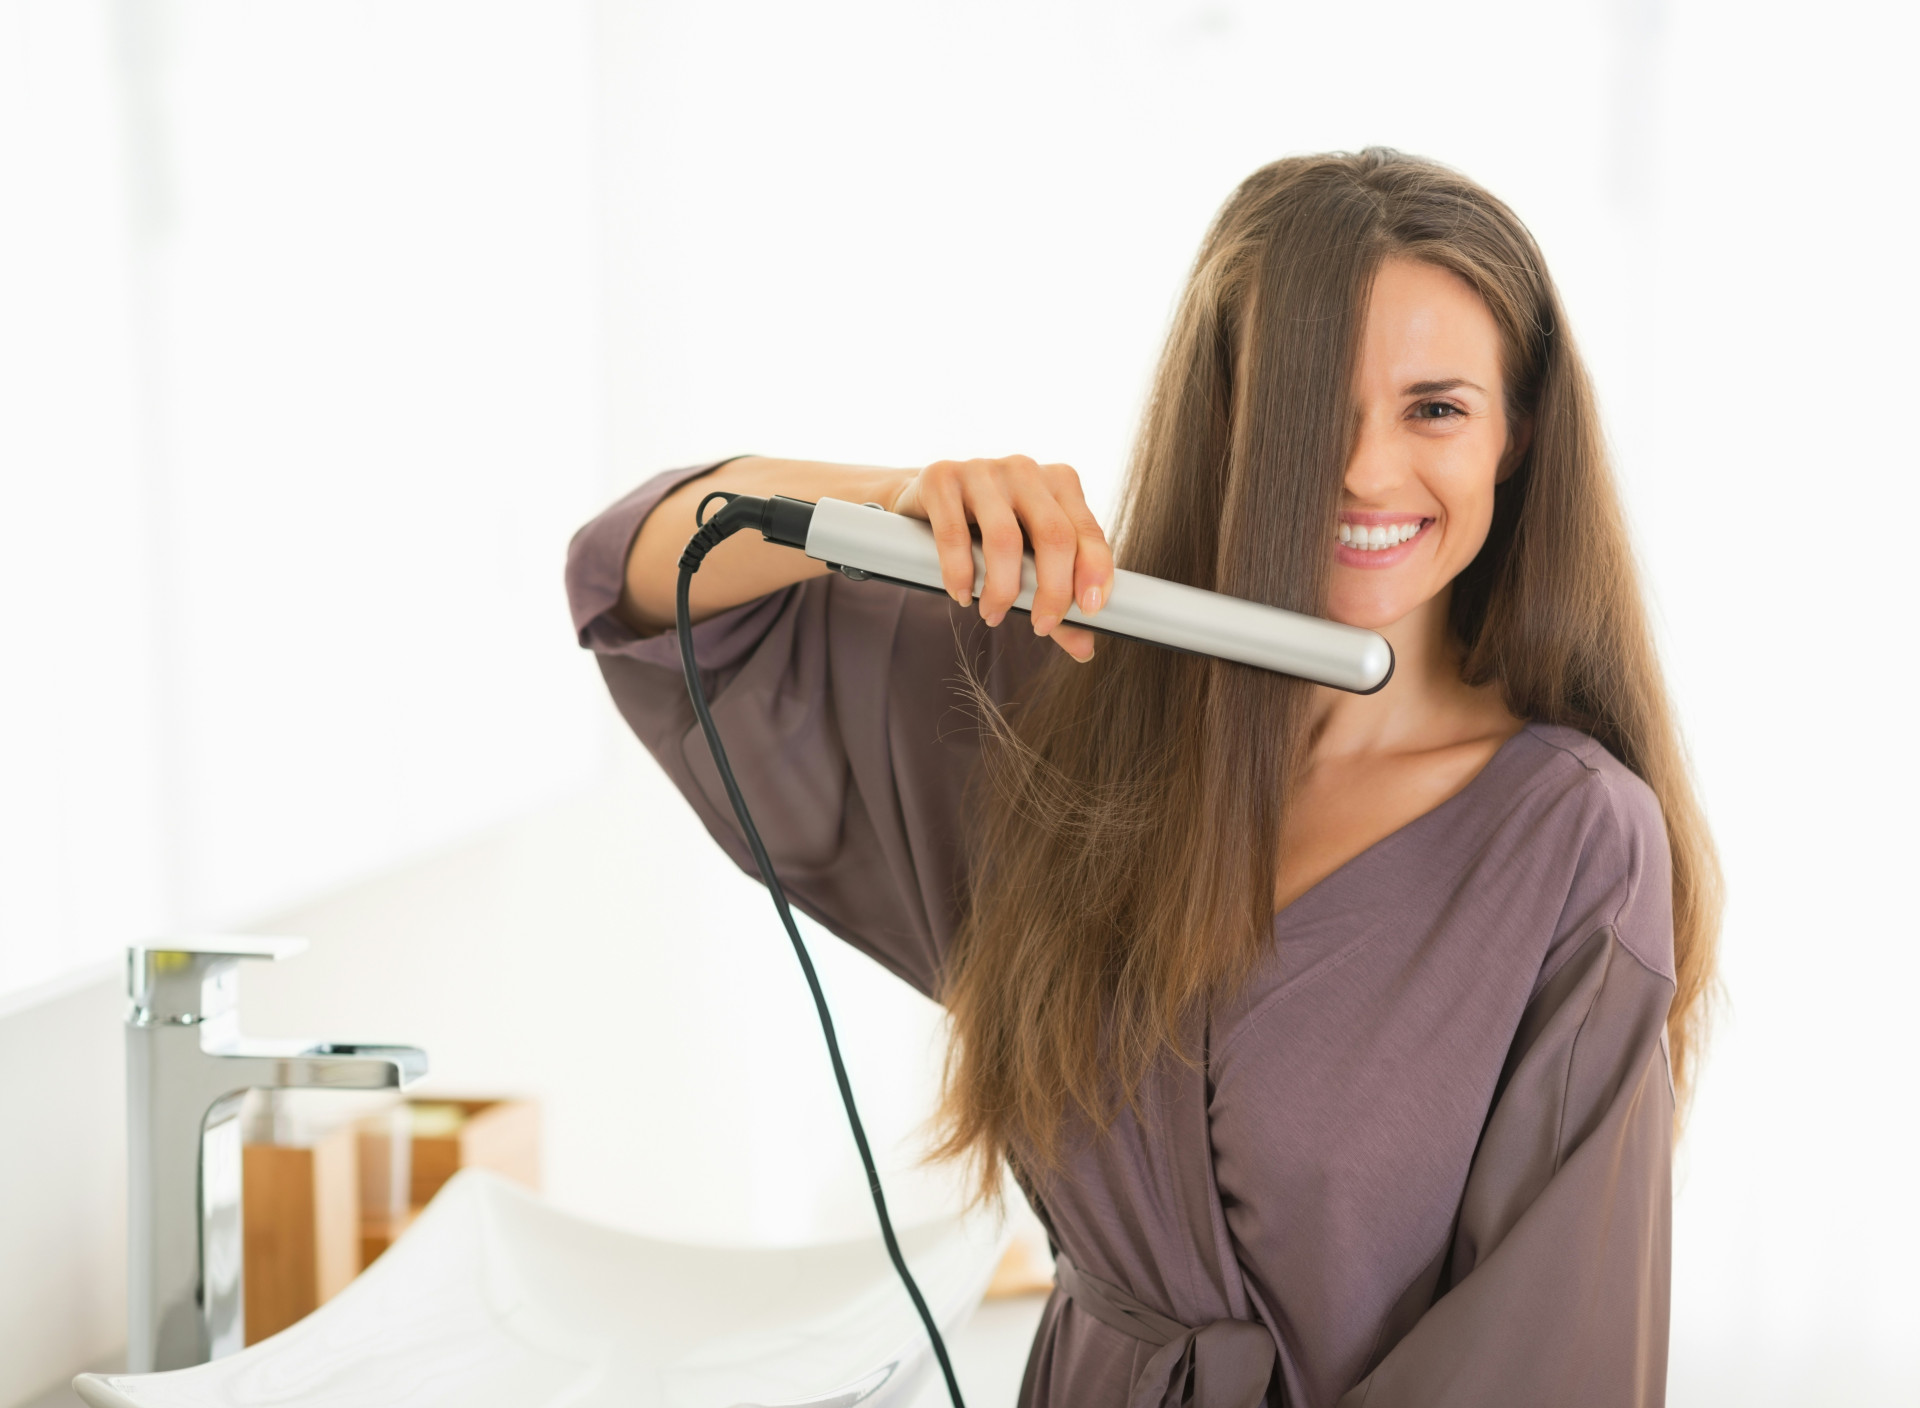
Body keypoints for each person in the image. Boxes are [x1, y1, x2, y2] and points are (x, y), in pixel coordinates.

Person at [564, 148, 1721, 1408]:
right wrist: (899, 503)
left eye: (1433, 408)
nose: (1364, 470)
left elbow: (1543, 1365)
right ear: (1225, 413)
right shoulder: (1053, 694)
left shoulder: (1573, 842)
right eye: (1303, 404)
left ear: (1517, 433)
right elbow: (641, 582)